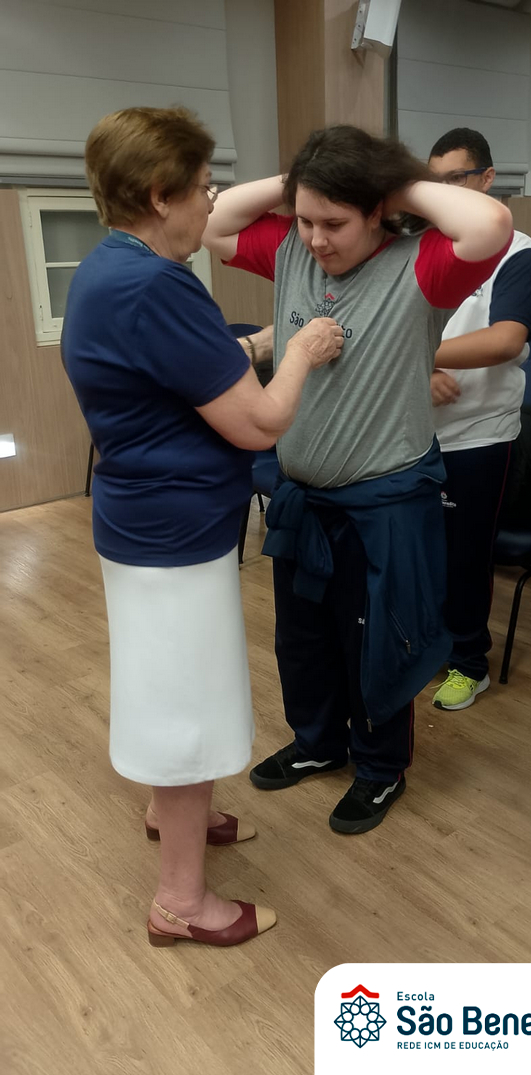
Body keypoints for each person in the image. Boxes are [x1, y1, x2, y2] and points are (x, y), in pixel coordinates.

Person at [61, 106, 343, 946]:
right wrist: (301, 351)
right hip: (173, 537)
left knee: (165, 683)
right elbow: (259, 424)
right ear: (160, 196)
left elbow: (177, 373)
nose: (212, 200)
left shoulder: (112, 265)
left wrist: (254, 346)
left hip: (147, 523)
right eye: (203, 187)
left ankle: (168, 814)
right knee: (185, 707)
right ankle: (180, 904)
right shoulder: (155, 285)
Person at [203, 124, 513, 834]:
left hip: (385, 502)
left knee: (378, 644)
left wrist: (388, 182)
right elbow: (216, 224)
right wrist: (303, 183)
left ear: (377, 210)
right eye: (305, 219)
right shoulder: (292, 251)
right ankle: (318, 743)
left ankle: (379, 768)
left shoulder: (421, 265)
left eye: (334, 223)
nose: (316, 239)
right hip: (304, 497)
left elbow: (491, 222)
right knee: (303, 639)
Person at [427, 128, 531, 711]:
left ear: (487, 178)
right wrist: (418, 367)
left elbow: (505, 340)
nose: (444, 191)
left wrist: (418, 357)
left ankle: (469, 663)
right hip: (416, 431)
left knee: (465, 557)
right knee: (422, 553)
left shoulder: (514, 250)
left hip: (479, 433)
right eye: (435, 182)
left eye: (456, 178)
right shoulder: (427, 245)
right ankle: (430, 648)